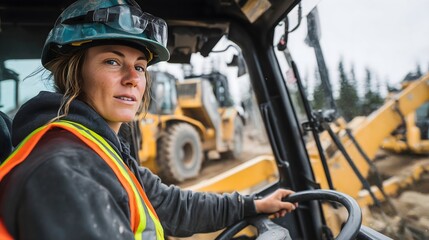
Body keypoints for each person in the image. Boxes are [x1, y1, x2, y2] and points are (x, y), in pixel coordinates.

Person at [0, 0, 298, 239]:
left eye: (140, 67)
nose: (133, 79)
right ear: (73, 72)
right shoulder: (64, 169)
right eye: (113, 61)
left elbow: (169, 205)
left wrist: (252, 205)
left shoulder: (102, 152)